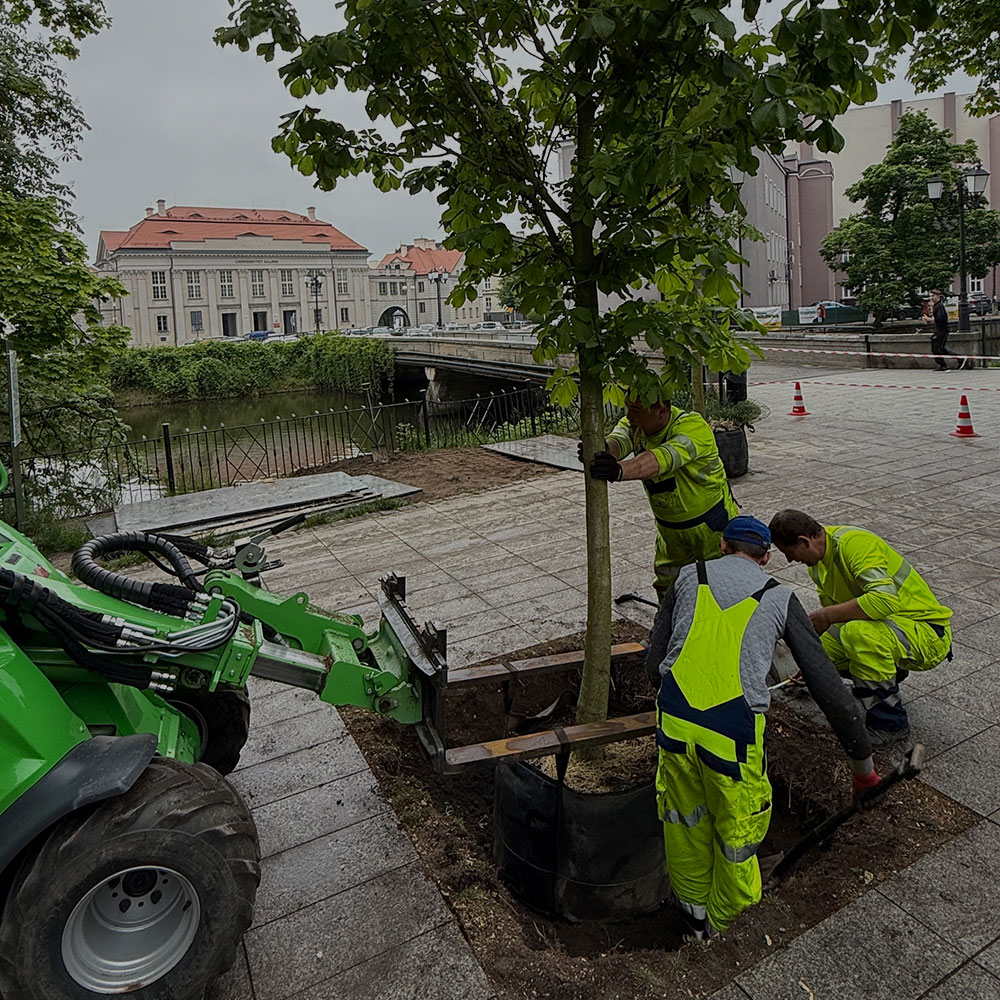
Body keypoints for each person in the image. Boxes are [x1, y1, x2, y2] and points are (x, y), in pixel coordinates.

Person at [648, 516, 876, 939]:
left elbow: (653, 663)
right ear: (767, 557)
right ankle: (726, 937)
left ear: (722, 546)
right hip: (731, 739)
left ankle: (693, 924)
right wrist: (863, 766)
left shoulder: (687, 577)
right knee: (736, 841)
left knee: (685, 824)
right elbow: (829, 689)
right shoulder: (779, 597)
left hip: (674, 725)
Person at [768, 509, 953, 748]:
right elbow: (840, 617)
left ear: (804, 541)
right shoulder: (818, 564)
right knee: (815, 649)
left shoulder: (855, 545)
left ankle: (890, 724)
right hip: (889, 629)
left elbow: (885, 600)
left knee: (858, 635)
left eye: (789, 552)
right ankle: (885, 675)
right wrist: (811, 663)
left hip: (926, 632)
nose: (791, 560)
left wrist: (826, 615)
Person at [585, 394, 738, 600]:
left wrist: (618, 471)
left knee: (720, 584)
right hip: (670, 530)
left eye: (636, 410)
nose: (629, 416)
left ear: (661, 411)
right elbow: (619, 439)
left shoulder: (692, 426)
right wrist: (601, 451)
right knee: (667, 584)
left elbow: (662, 459)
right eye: (628, 408)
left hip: (711, 526)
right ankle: (668, 625)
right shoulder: (634, 425)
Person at [922, 290, 967, 371]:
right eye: (930, 296)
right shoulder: (937, 306)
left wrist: (928, 319)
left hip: (942, 330)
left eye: (933, 296)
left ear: (938, 296)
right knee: (940, 348)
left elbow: (940, 319)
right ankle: (958, 359)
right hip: (940, 330)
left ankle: (944, 365)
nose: (931, 298)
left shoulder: (939, 306)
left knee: (936, 348)